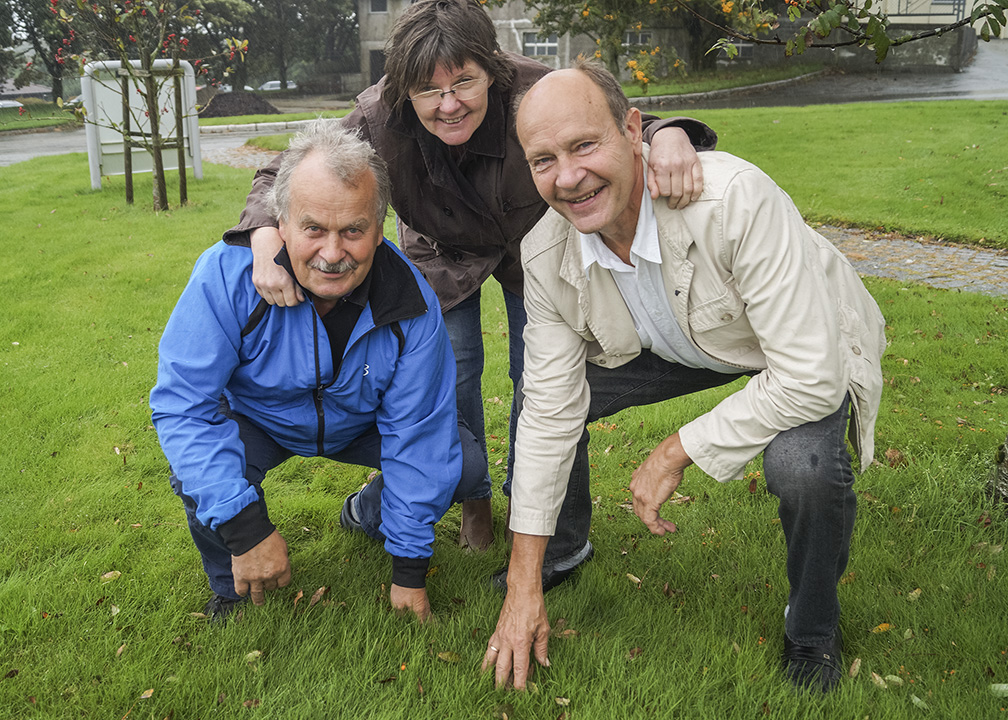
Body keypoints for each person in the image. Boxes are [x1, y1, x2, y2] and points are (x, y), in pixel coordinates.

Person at [222, 0, 720, 550]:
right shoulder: (376, 116)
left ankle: (547, 528)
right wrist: (265, 231)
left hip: (534, 248)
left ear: (493, 69)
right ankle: (473, 506)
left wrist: (669, 133)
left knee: (541, 382)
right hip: (440, 254)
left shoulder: (536, 88)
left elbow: (619, 128)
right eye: (429, 91)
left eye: (464, 82)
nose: (449, 104)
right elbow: (285, 171)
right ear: (404, 87)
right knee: (448, 380)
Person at [481, 60, 886, 693]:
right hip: (676, 345)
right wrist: (522, 584)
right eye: (543, 160)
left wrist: (677, 450)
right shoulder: (544, 255)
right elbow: (548, 414)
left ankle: (812, 627)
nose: (568, 177)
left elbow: (809, 376)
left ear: (633, 130)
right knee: (547, 401)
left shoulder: (735, 201)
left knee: (801, 465)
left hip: (794, 348)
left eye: (585, 145)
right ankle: (560, 552)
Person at [151, 122, 487, 624]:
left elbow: (418, 438)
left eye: (353, 230)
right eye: (314, 230)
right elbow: (184, 407)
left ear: (379, 228)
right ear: (279, 222)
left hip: (361, 425)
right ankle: (233, 588)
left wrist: (409, 573)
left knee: (464, 463)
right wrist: (246, 529)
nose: (333, 254)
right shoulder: (226, 275)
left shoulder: (413, 302)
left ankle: (366, 513)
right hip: (261, 422)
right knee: (196, 467)